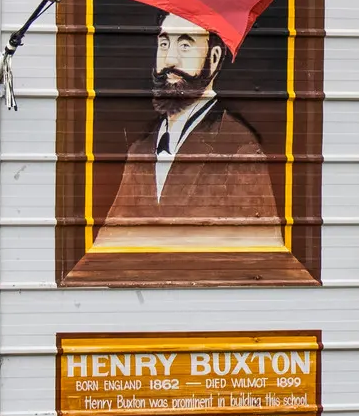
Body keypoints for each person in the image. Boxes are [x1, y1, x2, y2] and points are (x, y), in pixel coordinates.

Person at [92, 14, 285, 253]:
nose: (169, 59)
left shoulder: (237, 148)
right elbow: (110, 242)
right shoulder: (141, 149)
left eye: (185, 45)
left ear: (213, 59)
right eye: (164, 44)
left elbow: (260, 250)